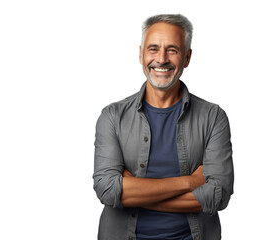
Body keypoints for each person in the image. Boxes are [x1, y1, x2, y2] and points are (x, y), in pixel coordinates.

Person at [93, 14, 233, 240]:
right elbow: (108, 191)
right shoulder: (112, 117)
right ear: (140, 54)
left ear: (187, 57)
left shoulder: (213, 117)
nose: (162, 59)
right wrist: (191, 182)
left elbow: (219, 195)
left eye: (172, 50)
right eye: (153, 49)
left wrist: (132, 192)